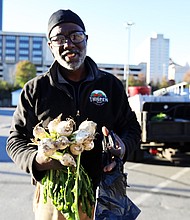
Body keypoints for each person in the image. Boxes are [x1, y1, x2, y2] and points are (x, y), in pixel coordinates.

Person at [6, 9, 141, 220]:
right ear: (51, 46)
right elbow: (15, 140)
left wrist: (122, 148)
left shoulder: (110, 85)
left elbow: (132, 128)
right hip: (54, 196)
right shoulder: (36, 89)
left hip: (104, 193)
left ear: (86, 39)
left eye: (75, 36)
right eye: (59, 38)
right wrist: (38, 160)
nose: (69, 43)